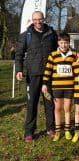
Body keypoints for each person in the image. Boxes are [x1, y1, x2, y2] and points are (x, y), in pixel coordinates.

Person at [15, 11, 57, 143]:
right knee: (32, 104)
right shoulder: (26, 35)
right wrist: (19, 70)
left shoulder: (52, 33)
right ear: (32, 20)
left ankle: (51, 128)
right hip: (32, 75)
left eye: (40, 19)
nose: (38, 22)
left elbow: (57, 52)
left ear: (44, 19)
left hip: (49, 74)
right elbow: (19, 54)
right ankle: (29, 132)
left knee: (49, 103)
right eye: (35, 19)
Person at [42, 32, 77, 142]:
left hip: (69, 87)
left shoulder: (74, 54)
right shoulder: (53, 55)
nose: (63, 45)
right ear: (58, 43)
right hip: (56, 87)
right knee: (57, 109)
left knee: (67, 109)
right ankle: (57, 131)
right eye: (61, 43)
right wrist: (44, 83)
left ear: (69, 43)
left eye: (66, 43)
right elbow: (48, 70)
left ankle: (66, 130)